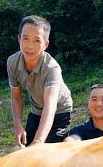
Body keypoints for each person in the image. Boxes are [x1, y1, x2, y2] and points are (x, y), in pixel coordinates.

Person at [7, 15, 73, 146]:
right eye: (25, 38)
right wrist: (18, 127)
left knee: (50, 150)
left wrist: (38, 141)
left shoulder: (51, 67)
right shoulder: (12, 63)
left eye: (37, 40)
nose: (30, 46)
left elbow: (50, 105)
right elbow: (16, 97)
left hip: (60, 110)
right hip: (36, 110)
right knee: (25, 148)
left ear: (46, 44)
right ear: (19, 39)